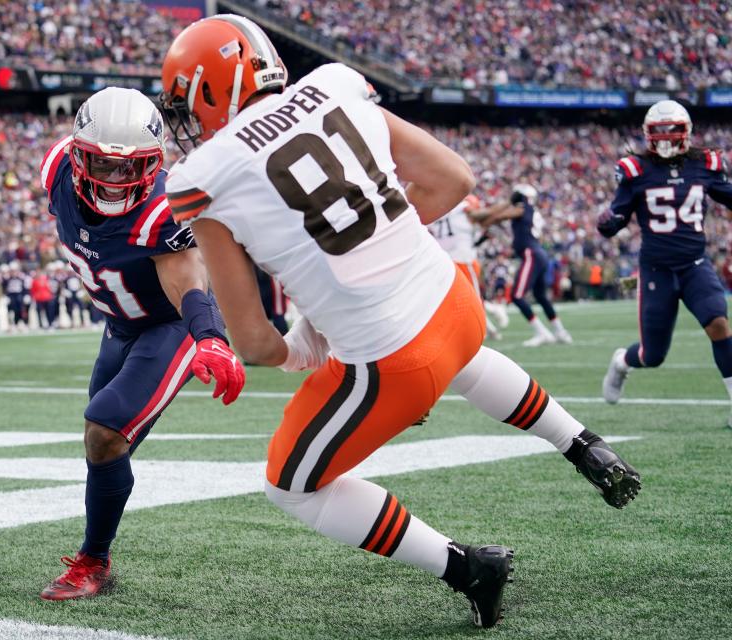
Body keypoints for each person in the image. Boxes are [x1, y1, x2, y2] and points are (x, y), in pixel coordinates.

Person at [160, 14, 640, 628]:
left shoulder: (204, 176)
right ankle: (584, 446)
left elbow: (253, 340)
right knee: (460, 360)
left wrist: (302, 347)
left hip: (394, 363)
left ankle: (467, 568)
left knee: (290, 485)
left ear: (209, 89)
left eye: (185, 104)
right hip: (457, 307)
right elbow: (454, 180)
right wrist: (374, 251)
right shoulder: (333, 85)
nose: (185, 121)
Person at [38, 87, 244, 600]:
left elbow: (186, 280)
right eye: (102, 165)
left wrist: (210, 339)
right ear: (75, 154)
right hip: (119, 326)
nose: (114, 180)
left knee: (105, 429)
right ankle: (100, 545)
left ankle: (93, 563)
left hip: (168, 326)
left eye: (130, 169)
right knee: (103, 445)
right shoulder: (54, 171)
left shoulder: (163, 209)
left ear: (154, 164)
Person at [599, 100, 732, 426]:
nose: (666, 140)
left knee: (718, 323)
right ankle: (622, 361)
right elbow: (619, 214)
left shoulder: (704, 165)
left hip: (695, 264)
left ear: (685, 133)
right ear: (648, 135)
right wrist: (609, 222)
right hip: (656, 269)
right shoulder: (636, 170)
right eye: (659, 134)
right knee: (652, 355)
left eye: (672, 133)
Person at [475, 185, 572, 346]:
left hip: (531, 254)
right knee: (540, 296)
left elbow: (499, 217)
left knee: (517, 296)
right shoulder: (533, 211)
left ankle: (542, 332)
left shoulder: (523, 208)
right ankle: (560, 331)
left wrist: (488, 217)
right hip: (538, 254)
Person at [428, 195, 509, 339]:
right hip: (463, 260)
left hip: (447, 261)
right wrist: (507, 205)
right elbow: (483, 216)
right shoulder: (462, 209)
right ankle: (491, 314)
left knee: (465, 299)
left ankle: (488, 329)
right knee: (471, 299)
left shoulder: (436, 211)